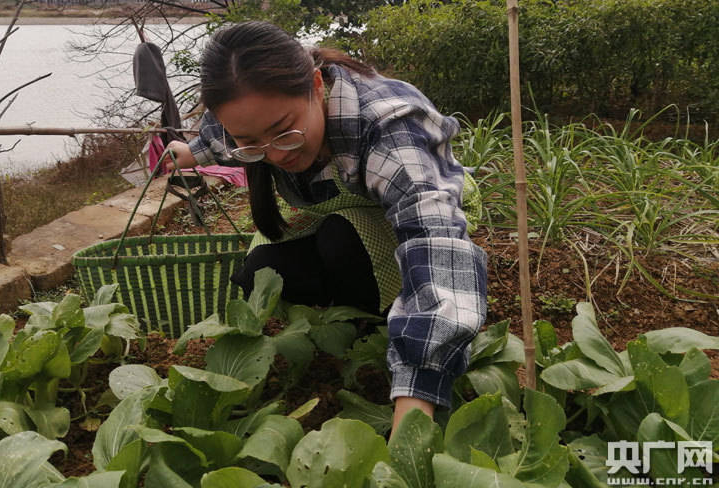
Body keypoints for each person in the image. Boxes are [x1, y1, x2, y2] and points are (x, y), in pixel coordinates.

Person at [165, 21, 487, 433]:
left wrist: (416, 400)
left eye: (284, 132)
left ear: (316, 85)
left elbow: (434, 245)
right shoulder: (247, 123)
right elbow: (220, 137)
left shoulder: (388, 127)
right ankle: (354, 319)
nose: (273, 155)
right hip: (342, 212)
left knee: (341, 243)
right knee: (259, 271)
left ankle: (386, 328)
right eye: (251, 142)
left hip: (421, 212)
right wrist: (189, 152)